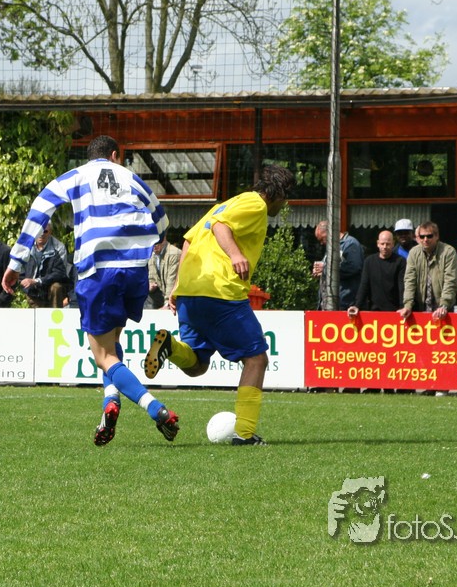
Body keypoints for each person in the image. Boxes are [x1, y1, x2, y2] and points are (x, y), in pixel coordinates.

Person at [2, 134, 179, 445]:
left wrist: (16, 261)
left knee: (102, 355)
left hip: (99, 270)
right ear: (115, 155)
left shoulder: (76, 176)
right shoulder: (131, 177)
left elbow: (40, 208)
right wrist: (158, 239)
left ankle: (156, 409)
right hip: (135, 270)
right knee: (112, 344)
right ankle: (109, 404)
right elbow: (161, 218)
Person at [144, 164, 294, 445]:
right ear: (278, 193)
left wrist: (178, 286)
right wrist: (235, 254)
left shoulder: (223, 204)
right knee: (256, 359)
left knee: (197, 365)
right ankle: (245, 435)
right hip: (220, 292)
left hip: (191, 292)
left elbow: (189, 241)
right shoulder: (255, 204)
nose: (284, 205)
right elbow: (221, 227)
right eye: (285, 198)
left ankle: (170, 347)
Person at [397, 221, 457, 321]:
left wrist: (444, 305)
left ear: (437, 236)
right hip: (420, 307)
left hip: (444, 309)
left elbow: (450, 281)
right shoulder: (413, 253)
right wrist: (408, 305)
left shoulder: (448, 252)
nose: (425, 239)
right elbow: (409, 281)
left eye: (429, 236)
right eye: (422, 237)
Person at [347, 230, 405, 316]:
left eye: (388, 244)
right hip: (374, 311)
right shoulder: (369, 261)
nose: (385, 247)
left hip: (395, 311)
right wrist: (357, 305)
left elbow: (402, 286)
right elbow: (364, 285)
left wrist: (402, 306)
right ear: (378, 243)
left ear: (393, 244)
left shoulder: (400, 261)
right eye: (382, 244)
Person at [312, 220, 364, 310]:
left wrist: (325, 269)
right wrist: (319, 271)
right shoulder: (331, 248)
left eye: (322, 239)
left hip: (345, 302)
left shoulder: (351, 244)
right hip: (328, 303)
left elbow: (354, 267)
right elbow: (327, 268)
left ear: (330, 232)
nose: (321, 243)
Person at [18, 221, 69, 308]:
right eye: (39, 231)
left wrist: (37, 281)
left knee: (56, 287)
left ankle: (55, 315)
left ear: (50, 232)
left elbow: (60, 273)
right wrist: (23, 281)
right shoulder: (26, 247)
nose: (41, 234)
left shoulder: (59, 247)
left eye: (45, 231)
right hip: (33, 291)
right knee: (38, 316)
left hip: (52, 290)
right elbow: (19, 268)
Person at [144, 235, 181, 311]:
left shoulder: (174, 254)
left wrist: (167, 303)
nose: (154, 246)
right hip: (161, 294)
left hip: (176, 296)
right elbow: (151, 276)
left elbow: (172, 281)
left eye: (157, 243)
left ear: (164, 239)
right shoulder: (151, 254)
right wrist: (150, 285)